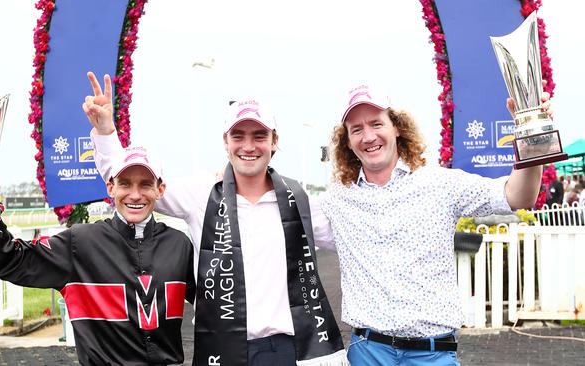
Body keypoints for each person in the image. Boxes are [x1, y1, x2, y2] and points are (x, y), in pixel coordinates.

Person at [83, 72, 348, 366]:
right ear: (225, 141)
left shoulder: (298, 200)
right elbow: (135, 182)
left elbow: (351, 240)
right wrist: (106, 132)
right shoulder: (202, 193)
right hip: (222, 349)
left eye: (259, 136)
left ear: (274, 141)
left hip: (286, 351)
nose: (248, 146)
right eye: (238, 136)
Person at [319, 84, 551, 366]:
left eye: (377, 124)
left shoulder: (440, 184)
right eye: (356, 129)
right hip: (368, 353)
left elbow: (517, 196)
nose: (368, 136)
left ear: (397, 128)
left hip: (432, 355)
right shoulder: (337, 198)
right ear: (347, 141)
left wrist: (531, 134)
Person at [0, 146, 196, 365]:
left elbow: (215, 306)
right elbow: (13, 260)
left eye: (145, 184)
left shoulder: (180, 245)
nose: (135, 195)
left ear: (160, 189)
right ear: (111, 188)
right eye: (125, 184)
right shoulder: (80, 242)